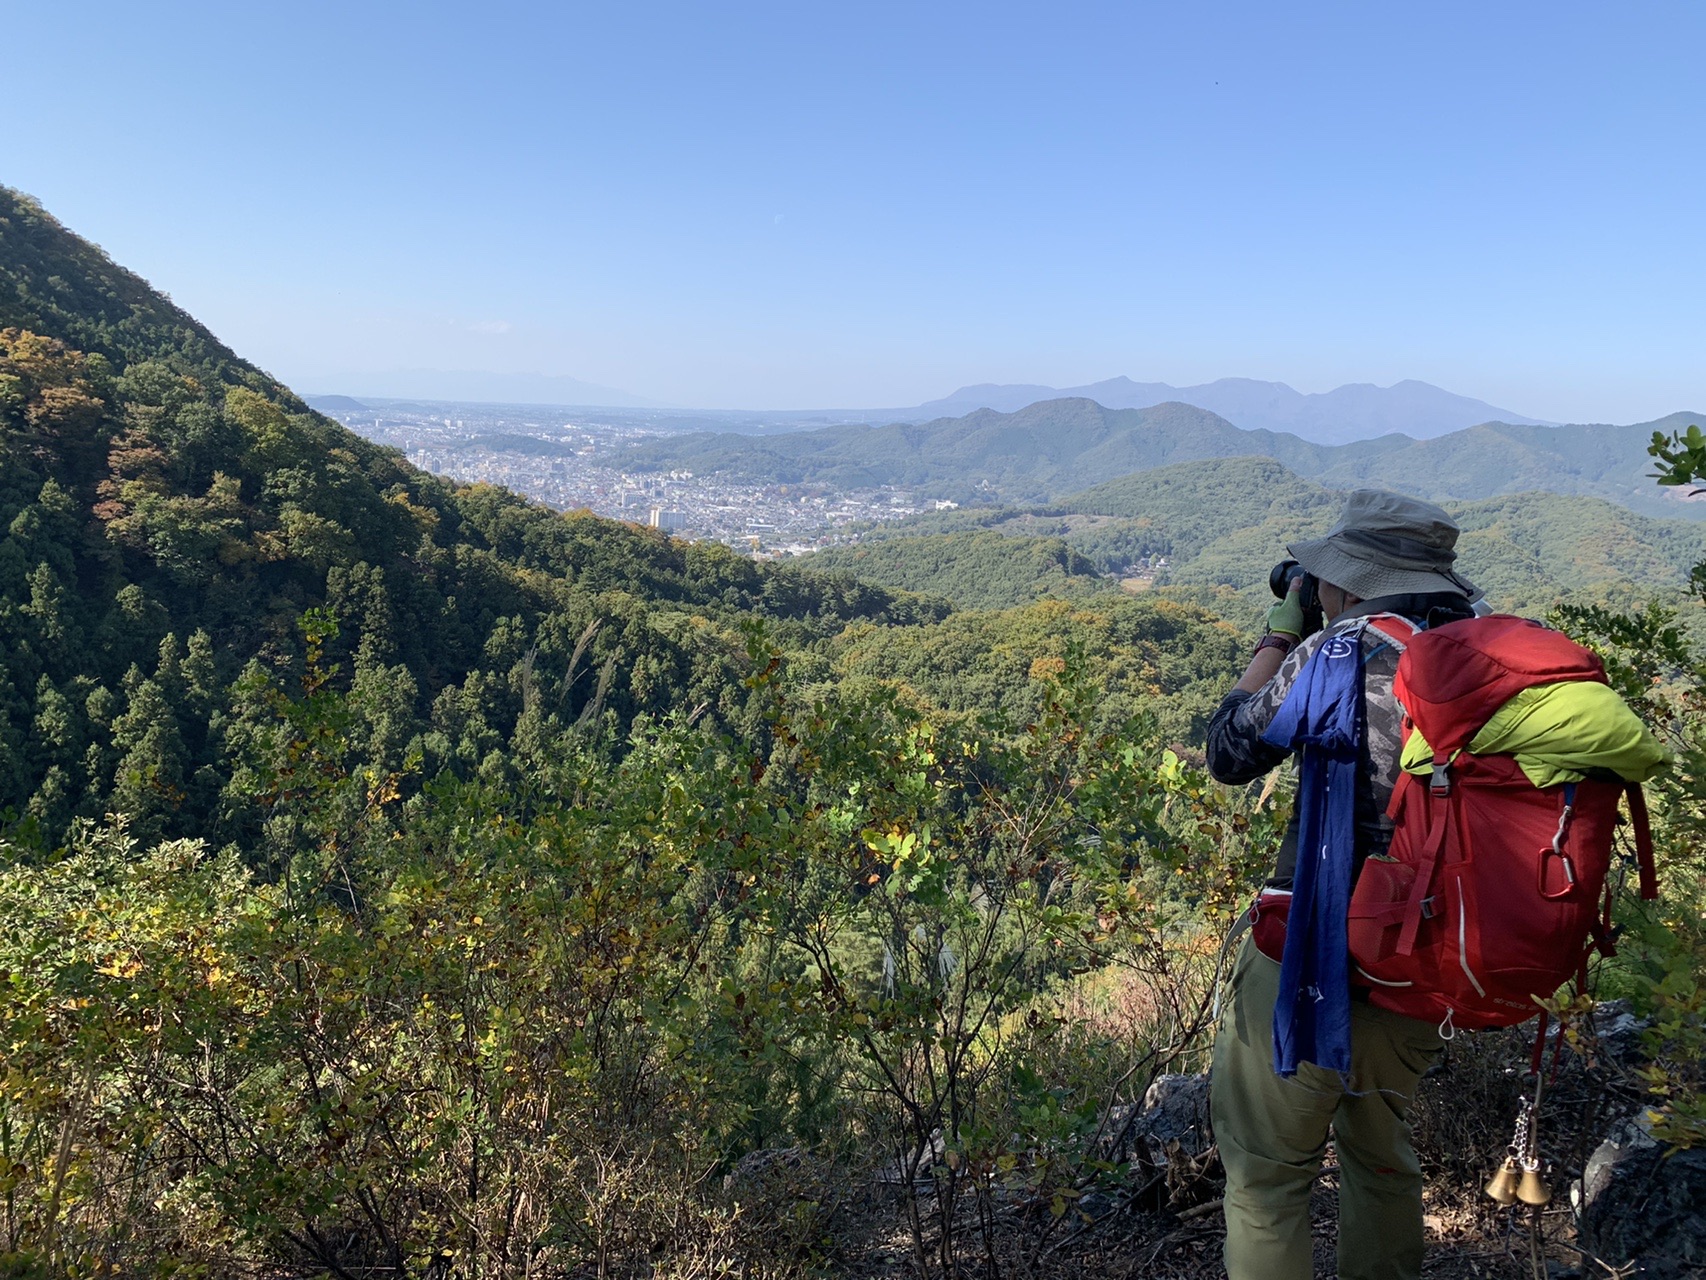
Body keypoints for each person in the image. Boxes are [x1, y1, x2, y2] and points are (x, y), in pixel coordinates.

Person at [1204, 489, 1481, 1280]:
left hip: (1311, 953)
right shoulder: (1485, 649)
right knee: (1381, 1155)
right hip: (1428, 952)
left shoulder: (1339, 652)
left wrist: (1280, 632)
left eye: (1325, 576)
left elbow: (1228, 752)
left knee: (1267, 1176)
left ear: (1352, 583)